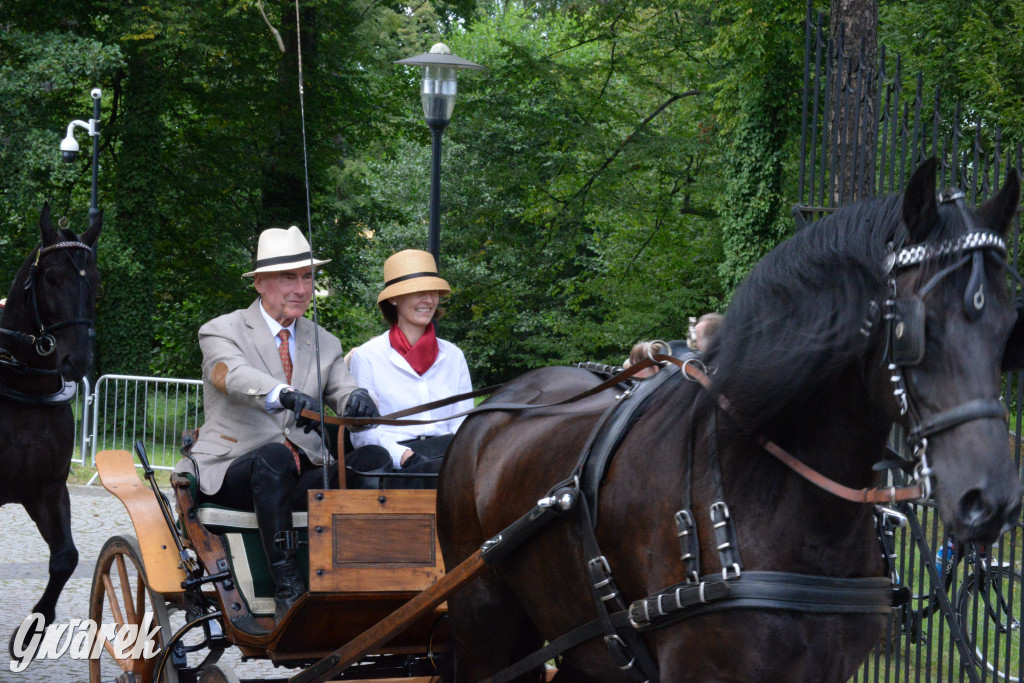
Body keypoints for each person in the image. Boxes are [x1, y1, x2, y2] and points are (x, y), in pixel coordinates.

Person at [173, 225, 383, 624]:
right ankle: (287, 587)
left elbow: (343, 387)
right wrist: (283, 393)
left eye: (307, 277)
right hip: (232, 468)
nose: (301, 288)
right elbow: (229, 374)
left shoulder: (325, 341)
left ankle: (368, 576)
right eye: (289, 277)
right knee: (273, 458)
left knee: (372, 457)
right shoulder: (220, 329)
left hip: (301, 471)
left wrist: (359, 399)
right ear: (259, 283)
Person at [348, 249, 473, 488]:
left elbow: (464, 423)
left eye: (433, 291)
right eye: (418, 292)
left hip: (448, 460)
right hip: (396, 467)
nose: (428, 299)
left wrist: (456, 459)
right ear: (394, 299)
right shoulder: (367, 356)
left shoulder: (454, 355)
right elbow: (364, 434)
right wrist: (406, 457)